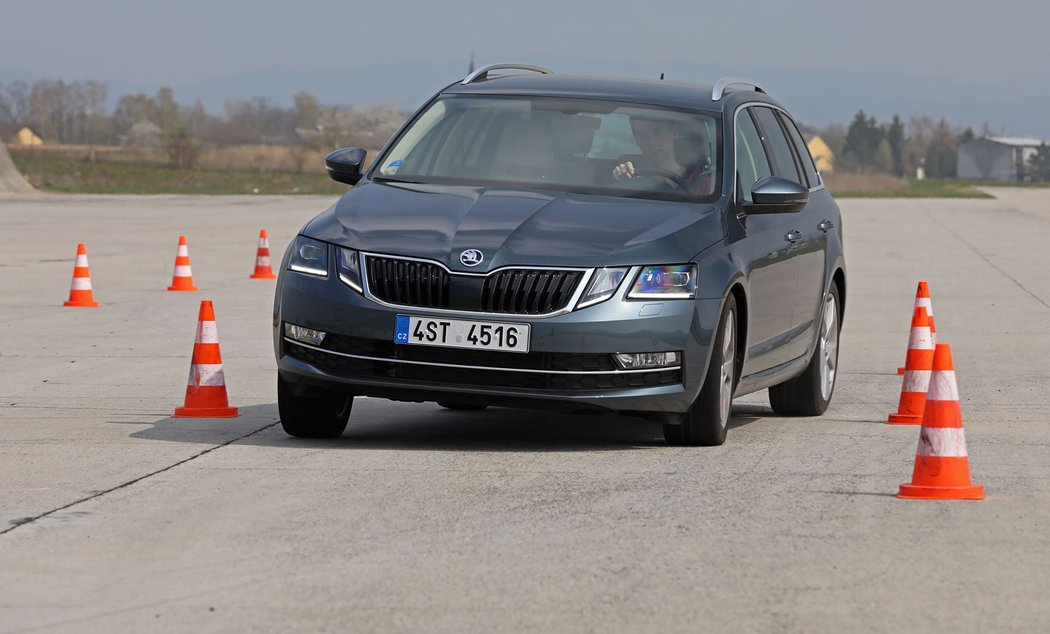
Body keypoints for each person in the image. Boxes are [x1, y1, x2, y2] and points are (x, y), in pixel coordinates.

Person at [611, 116, 713, 195]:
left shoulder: (703, 182)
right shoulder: (632, 177)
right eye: (642, 134)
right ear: (636, 140)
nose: (651, 141)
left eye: (657, 131)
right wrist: (623, 182)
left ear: (675, 132)